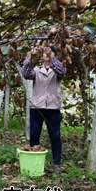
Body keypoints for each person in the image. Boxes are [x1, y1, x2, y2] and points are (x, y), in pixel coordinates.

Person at [22, 45, 66, 174]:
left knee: (55, 136)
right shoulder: (36, 70)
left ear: (54, 55)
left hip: (53, 107)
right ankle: (34, 163)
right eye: (44, 53)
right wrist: (31, 55)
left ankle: (57, 163)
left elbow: (61, 71)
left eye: (49, 52)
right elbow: (25, 73)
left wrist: (51, 56)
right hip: (37, 107)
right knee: (34, 135)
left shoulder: (58, 69)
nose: (45, 54)